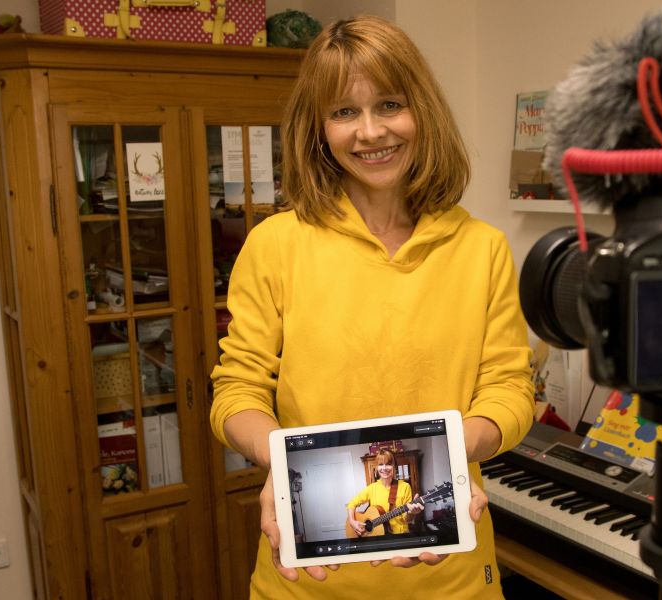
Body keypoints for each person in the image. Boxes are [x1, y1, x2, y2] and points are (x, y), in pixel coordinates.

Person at [209, 14, 534, 600]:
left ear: (424, 112)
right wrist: (281, 468)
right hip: (306, 580)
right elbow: (238, 391)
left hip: (452, 579)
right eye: (343, 112)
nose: (370, 132)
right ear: (318, 128)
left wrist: (447, 456)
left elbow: (508, 389)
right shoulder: (275, 245)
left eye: (389, 104)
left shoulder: (482, 248)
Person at [346, 449, 423, 537]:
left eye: (389, 464)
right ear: (377, 467)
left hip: (400, 536)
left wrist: (411, 513)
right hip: (378, 537)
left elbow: (408, 519)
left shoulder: (405, 487)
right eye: (381, 464)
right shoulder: (372, 488)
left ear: (394, 466)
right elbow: (351, 504)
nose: (384, 468)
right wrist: (352, 521)